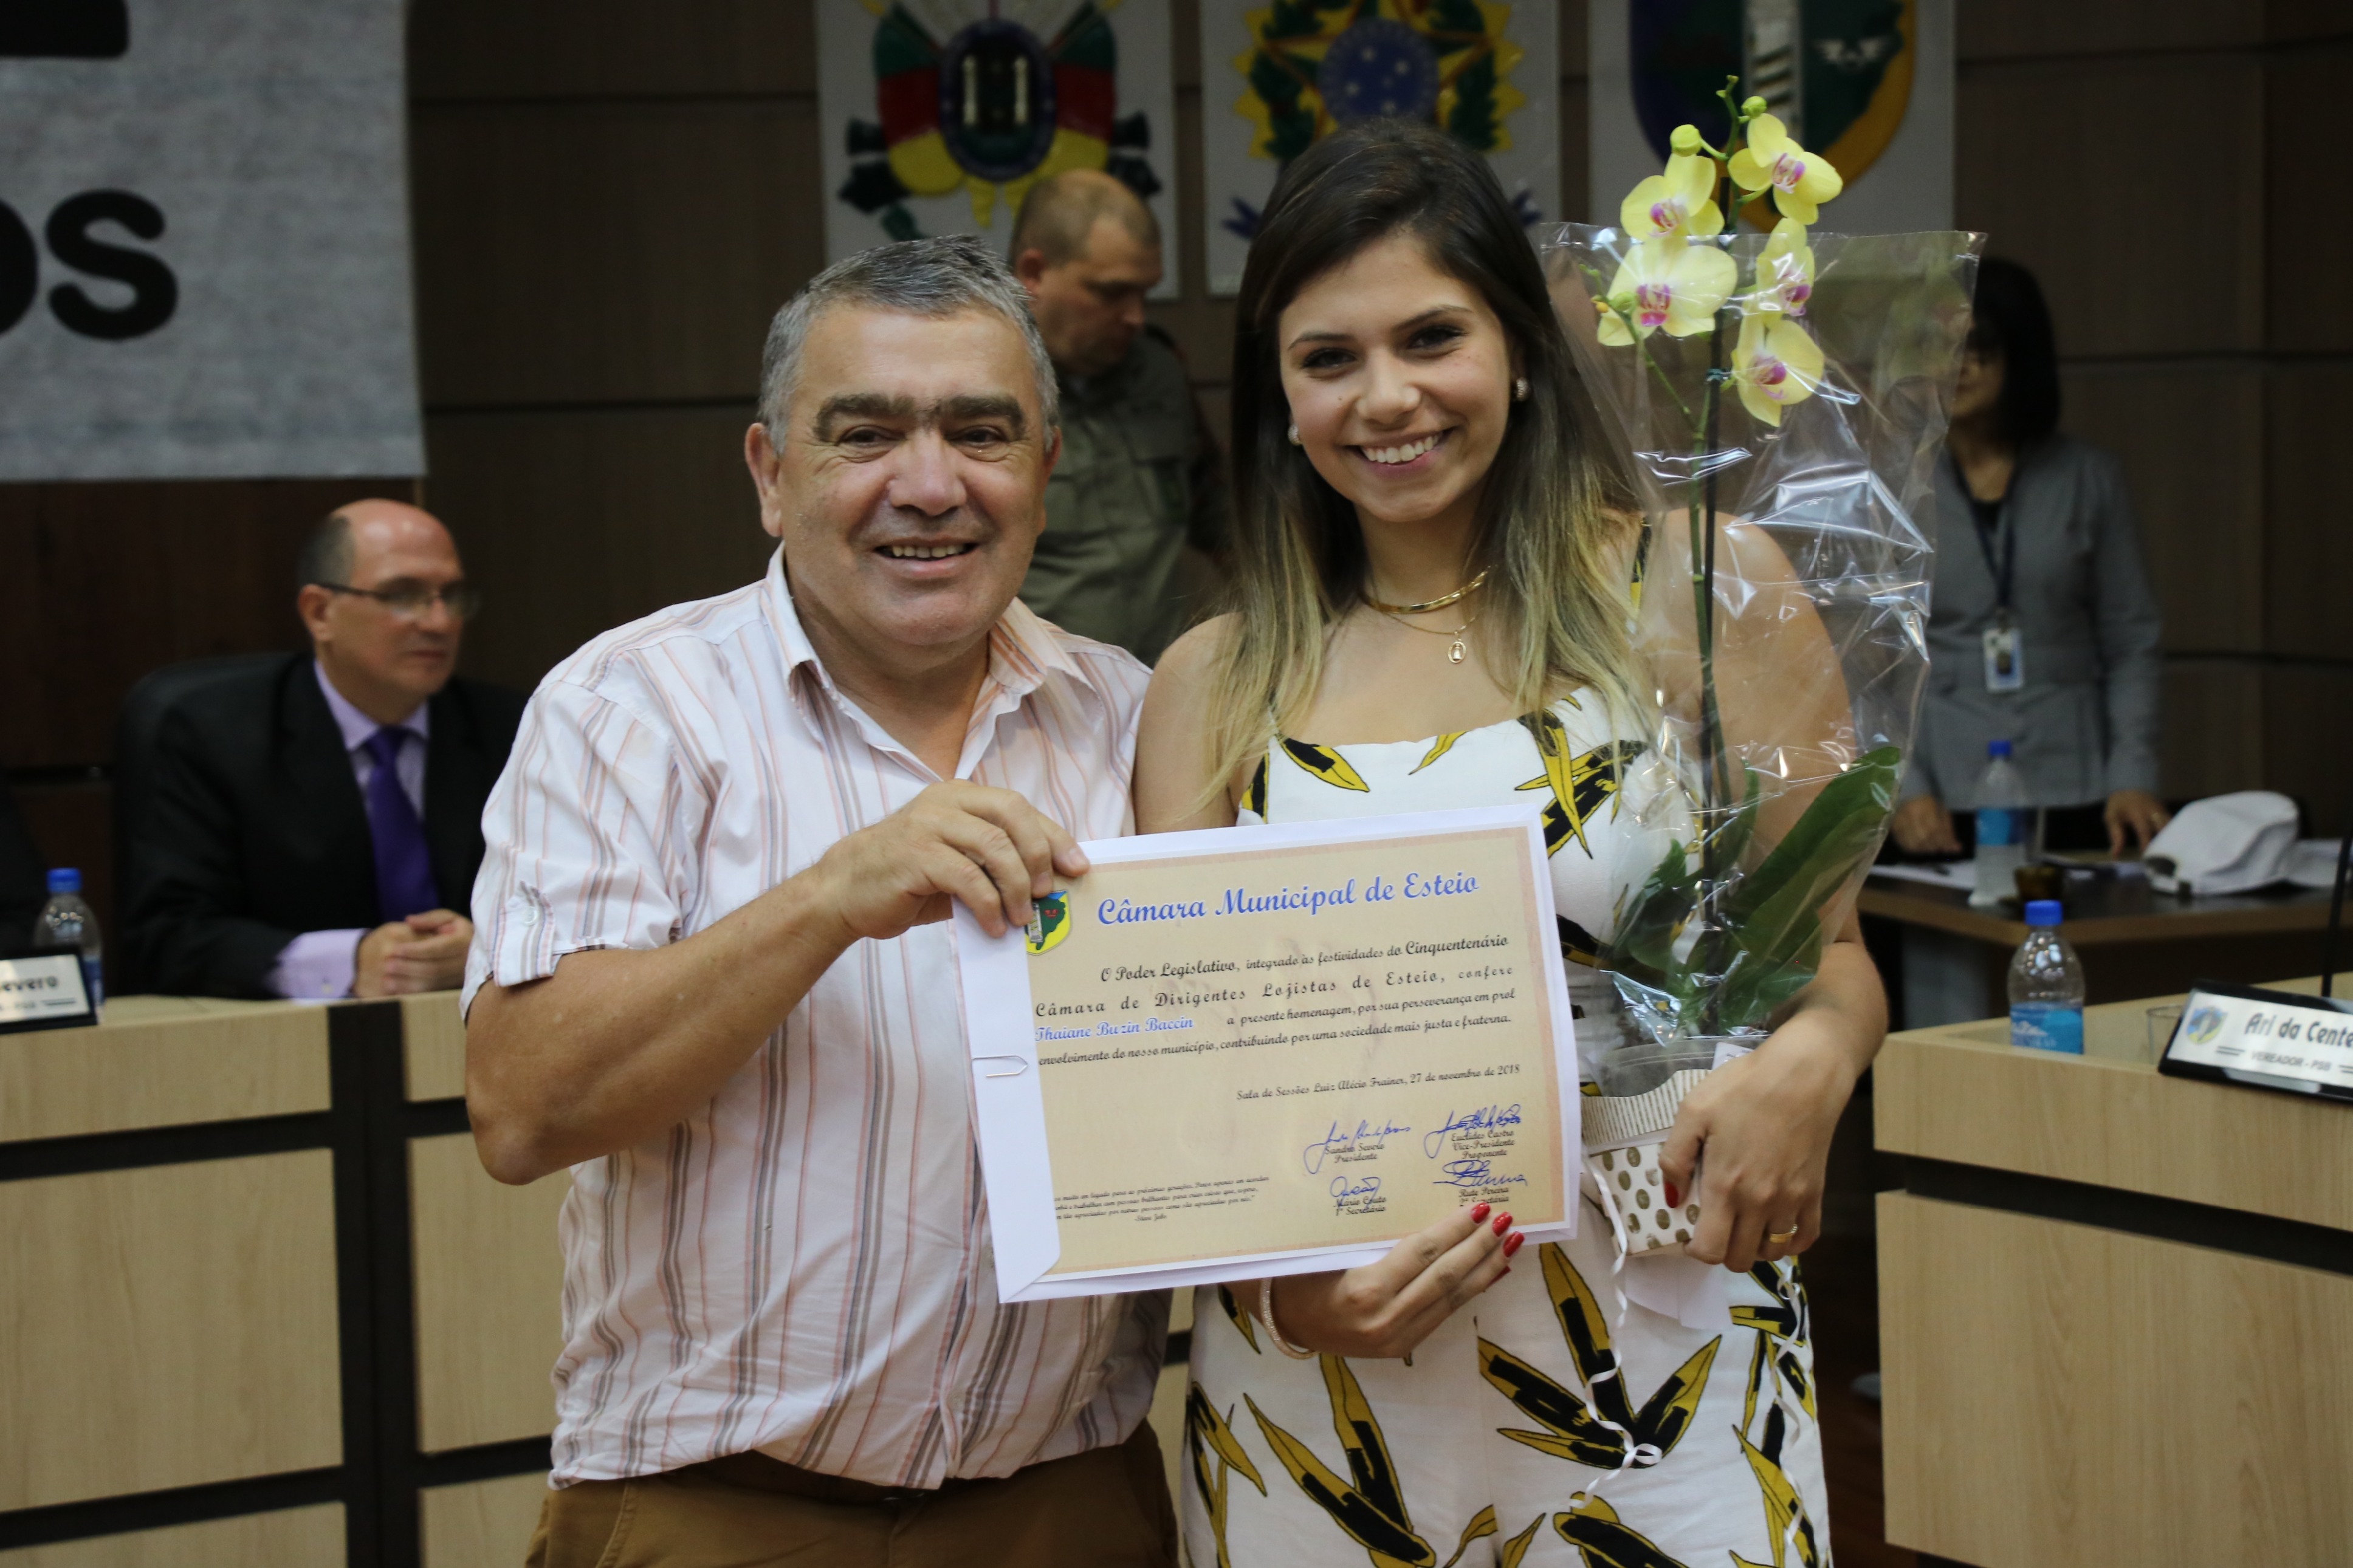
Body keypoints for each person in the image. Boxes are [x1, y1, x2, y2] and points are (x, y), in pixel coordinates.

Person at [1136, 122, 1880, 1566]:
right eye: (1329, 357)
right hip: (1327, 1391)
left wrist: (1814, 1063)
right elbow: (1187, 1084)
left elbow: (1832, 956)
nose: (1386, 396)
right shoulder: (1213, 680)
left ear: (1523, 349)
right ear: (1278, 394)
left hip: (1661, 1344)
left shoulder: (1694, 593)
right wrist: (1288, 1292)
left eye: (1432, 337)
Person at [462, 236, 1175, 1567]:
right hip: (718, 1509)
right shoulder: (629, 710)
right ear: (769, 474)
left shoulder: (1135, 718)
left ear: (1044, 467)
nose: (929, 484)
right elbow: (521, 1109)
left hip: (1063, 1502)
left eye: (981, 432)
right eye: (865, 434)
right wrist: (829, 899)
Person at [119, 501, 523, 999]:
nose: (440, 621)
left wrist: (490, 945)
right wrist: (348, 962)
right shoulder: (214, 734)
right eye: (403, 596)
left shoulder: (513, 729)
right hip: (282, 1038)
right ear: (319, 612)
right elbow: (169, 935)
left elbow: (572, 909)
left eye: (452, 596)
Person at [1889, 256, 2169, 859]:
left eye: (1979, 347)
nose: (1959, 366)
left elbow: (2131, 640)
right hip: (1940, 789)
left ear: (2020, 353)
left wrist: (2133, 772)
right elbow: (1873, 655)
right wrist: (1901, 786)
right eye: (1942, 347)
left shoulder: (2088, 477)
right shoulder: (1897, 488)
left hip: (2073, 777)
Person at [1011, 168, 1226, 663]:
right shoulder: (982, 393)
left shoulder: (1159, 372)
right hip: (1040, 691)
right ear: (1034, 273)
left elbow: (1214, 509)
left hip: (1160, 685)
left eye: (1144, 293)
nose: (1135, 316)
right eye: (1111, 293)